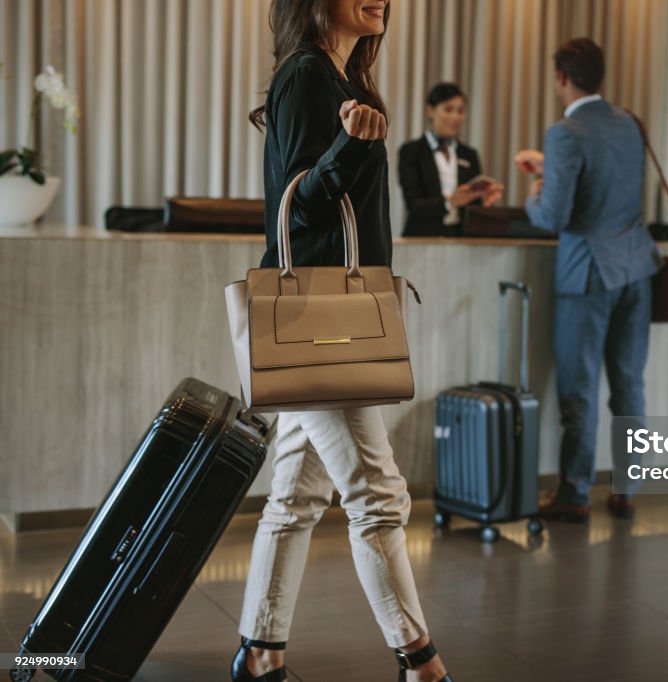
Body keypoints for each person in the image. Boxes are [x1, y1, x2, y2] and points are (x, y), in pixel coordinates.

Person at [238, 2, 451, 681]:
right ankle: (421, 663)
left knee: (297, 496)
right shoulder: (307, 75)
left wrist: (354, 138)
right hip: (322, 326)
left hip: (330, 322)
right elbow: (297, 203)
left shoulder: (342, 80)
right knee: (379, 496)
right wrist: (351, 145)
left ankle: (260, 651)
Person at [516, 38, 660, 523]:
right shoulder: (629, 124)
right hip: (637, 269)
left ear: (561, 77)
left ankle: (575, 493)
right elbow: (609, 185)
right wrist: (551, 167)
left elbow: (554, 215)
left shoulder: (565, 133)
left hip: (589, 274)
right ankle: (628, 487)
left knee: (579, 388)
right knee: (629, 382)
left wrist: (534, 192)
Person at [398, 82, 503, 236]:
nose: (455, 117)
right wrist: (450, 202)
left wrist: (485, 201)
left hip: (461, 238)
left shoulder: (469, 154)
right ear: (431, 110)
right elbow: (413, 203)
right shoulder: (412, 151)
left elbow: (473, 205)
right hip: (422, 237)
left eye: (460, 111)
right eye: (448, 109)